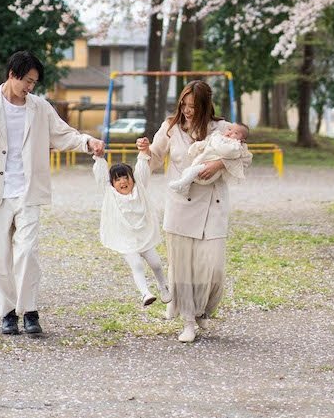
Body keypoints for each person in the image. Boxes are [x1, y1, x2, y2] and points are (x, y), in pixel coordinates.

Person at [0, 49, 104, 336]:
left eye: (34, 83)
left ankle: (29, 310)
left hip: (28, 191)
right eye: (27, 81)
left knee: (28, 252)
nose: (30, 88)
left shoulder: (39, 108)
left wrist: (87, 142)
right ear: (12, 74)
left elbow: (63, 134)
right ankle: (7, 312)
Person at [137, 78, 250, 343]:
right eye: (184, 105)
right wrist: (144, 151)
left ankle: (202, 310)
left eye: (194, 106)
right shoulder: (170, 127)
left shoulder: (222, 128)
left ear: (205, 105)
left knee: (213, 268)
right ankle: (188, 320)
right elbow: (154, 159)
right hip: (180, 205)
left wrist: (220, 164)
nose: (188, 110)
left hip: (213, 205)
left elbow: (244, 155)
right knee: (182, 268)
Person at [92, 156, 170, 306]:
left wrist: (142, 155)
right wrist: (99, 158)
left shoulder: (139, 190)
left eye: (125, 177)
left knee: (156, 263)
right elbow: (101, 176)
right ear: (112, 184)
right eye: (117, 179)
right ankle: (145, 293)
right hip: (125, 239)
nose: (123, 182)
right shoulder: (110, 194)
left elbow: (142, 171)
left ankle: (163, 286)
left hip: (143, 236)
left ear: (132, 179)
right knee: (137, 265)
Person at [168, 123, 251, 194]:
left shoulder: (235, 146)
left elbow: (226, 151)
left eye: (235, 133)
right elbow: (207, 143)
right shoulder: (220, 137)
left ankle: (181, 184)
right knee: (187, 171)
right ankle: (184, 188)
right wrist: (197, 146)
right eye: (229, 129)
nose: (230, 133)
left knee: (192, 171)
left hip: (208, 168)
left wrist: (220, 163)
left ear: (242, 139)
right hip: (202, 161)